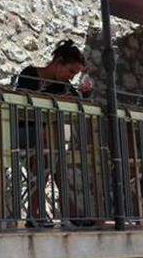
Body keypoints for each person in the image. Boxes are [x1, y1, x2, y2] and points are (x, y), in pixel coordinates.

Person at [11, 39, 93, 227]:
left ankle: (35, 213)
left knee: (50, 151)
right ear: (58, 63)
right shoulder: (30, 73)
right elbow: (23, 102)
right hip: (21, 132)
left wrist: (86, 93)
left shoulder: (63, 84)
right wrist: (56, 98)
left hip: (44, 141)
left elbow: (80, 104)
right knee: (52, 148)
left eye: (75, 74)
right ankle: (69, 210)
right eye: (71, 71)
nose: (71, 77)